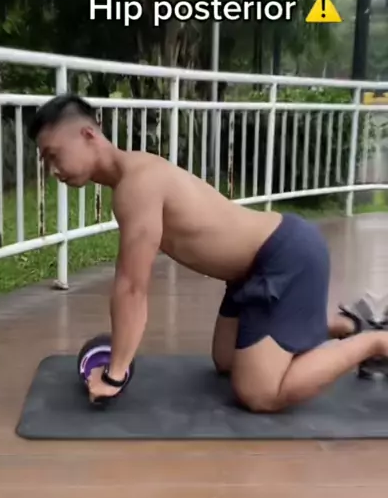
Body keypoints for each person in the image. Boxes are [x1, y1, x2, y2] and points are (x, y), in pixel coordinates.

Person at [28, 93, 388, 411]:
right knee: (226, 360)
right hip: (248, 271)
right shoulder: (132, 177)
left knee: (259, 392)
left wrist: (115, 374)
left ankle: (375, 342)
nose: (52, 169)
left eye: (53, 155)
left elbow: (132, 288)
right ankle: (350, 323)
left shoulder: (137, 185)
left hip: (285, 256)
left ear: (88, 135)